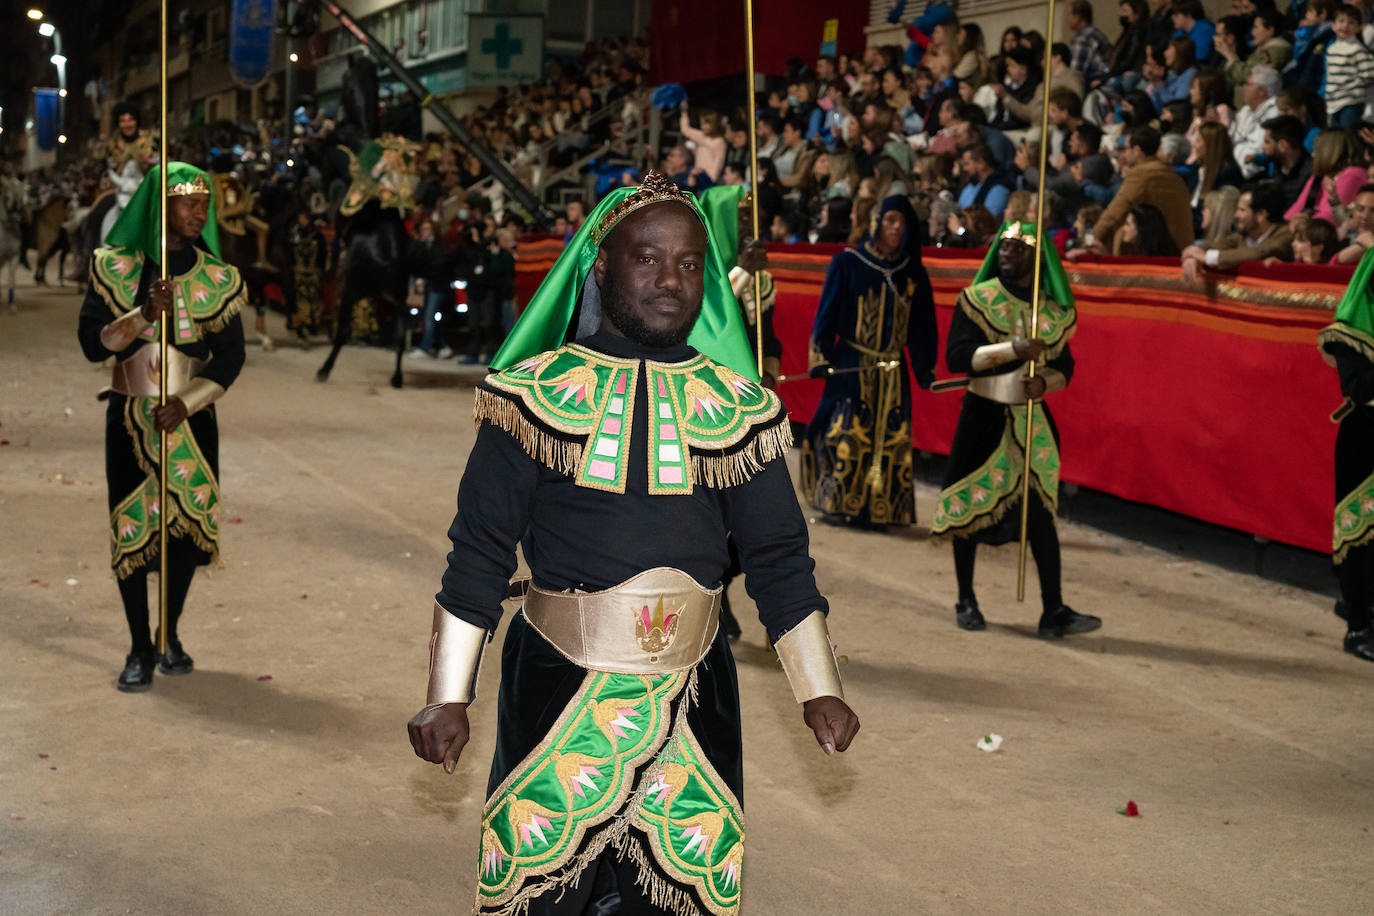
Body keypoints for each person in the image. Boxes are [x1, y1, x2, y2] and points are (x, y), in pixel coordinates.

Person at [405, 172, 859, 915]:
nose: (671, 280)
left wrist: (820, 688)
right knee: (541, 899)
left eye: (687, 263)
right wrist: (447, 696)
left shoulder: (742, 408)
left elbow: (779, 559)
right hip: (555, 688)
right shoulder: (529, 396)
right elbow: (479, 553)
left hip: (697, 695)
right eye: (647, 258)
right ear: (602, 266)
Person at [76, 163, 246, 691]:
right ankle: (138, 647)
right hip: (129, 418)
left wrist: (187, 404)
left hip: (191, 422)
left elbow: (230, 358)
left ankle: (168, 632)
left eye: (204, 202)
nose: (199, 211)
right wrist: (142, 314)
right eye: (187, 202)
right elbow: (90, 344)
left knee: (187, 537)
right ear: (159, 206)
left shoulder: (218, 277)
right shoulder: (116, 267)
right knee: (131, 530)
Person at [931, 221, 1100, 638]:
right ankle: (966, 599)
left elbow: (1066, 367)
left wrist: (1045, 382)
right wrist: (1012, 350)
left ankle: (1053, 610)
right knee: (968, 507)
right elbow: (957, 358)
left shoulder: (1051, 312)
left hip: (1032, 421)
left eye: (1018, 248)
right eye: (1004, 246)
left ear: (1037, 258)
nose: (1008, 253)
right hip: (982, 415)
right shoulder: (977, 299)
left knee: (1041, 516)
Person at [802, 196, 938, 528]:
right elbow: (826, 315)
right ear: (877, 222)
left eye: (903, 222)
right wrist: (821, 355)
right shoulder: (847, 263)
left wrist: (924, 369)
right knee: (847, 434)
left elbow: (923, 327)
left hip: (893, 372)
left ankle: (881, 509)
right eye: (890, 220)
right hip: (853, 364)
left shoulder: (913, 272)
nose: (896, 228)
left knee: (889, 440)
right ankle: (839, 503)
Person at [1319, 252, 1374, 662]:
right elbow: (1359, 387)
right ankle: (1359, 625)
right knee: (1361, 536)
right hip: (1366, 436)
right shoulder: (1352, 329)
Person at [1090, 126, 1194, 254]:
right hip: (1181, 246)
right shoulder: (1170, 173)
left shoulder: (1142, 174)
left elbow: (1116, 210)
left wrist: (1094, 236)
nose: (1125, 154)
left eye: (1127, 149)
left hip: (1156, 250)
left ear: (1137, 150)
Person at [1180, 182, 1293, 280]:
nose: (1235, 215)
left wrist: (1206, 258)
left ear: (1261, 215)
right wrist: (1194, 254)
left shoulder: (1285, 235)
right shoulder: (1242, 236)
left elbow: (1257, 252)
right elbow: (1217, 245)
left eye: (1242, 210)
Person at [100, 102, 159, 246]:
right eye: (123, 121)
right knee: (97, 213)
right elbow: (106, 166)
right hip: (119, 190)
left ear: (136, 121)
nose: (127, 125)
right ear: (119, 124)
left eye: (130, 120)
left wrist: (152, 162)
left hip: (147, 188)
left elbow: (161, 160)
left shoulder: (150, 141)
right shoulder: (112, 144)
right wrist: (108, 177)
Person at [1231, 65, 1281, 179]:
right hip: (1236, 169)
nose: (1243, 87)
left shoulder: (1273, 112)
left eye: (1248, 84)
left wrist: (1236, 149)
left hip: (1254, 177)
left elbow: (1255, 156)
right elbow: (1230, 139)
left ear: (1261, 91)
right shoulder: (1245, 110)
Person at [287, 212, 327, 344]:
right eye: (300, 218)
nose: (301, 220)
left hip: (313, 272)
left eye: (303, 218)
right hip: (298, 272)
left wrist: (321, 268)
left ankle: (313, 325)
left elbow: (323, 253)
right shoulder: (294, 234)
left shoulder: (317, 236)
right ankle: (301, 325)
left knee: (314, 299)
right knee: (299, 298)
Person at [1067, 0, 1112, 86]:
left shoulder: (1083, 38)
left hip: (1096, 82)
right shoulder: (1096, 32)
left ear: (1078, 17)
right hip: (1104, 79)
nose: (1067, 19)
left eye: (1069, 14)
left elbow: (1075, 73)